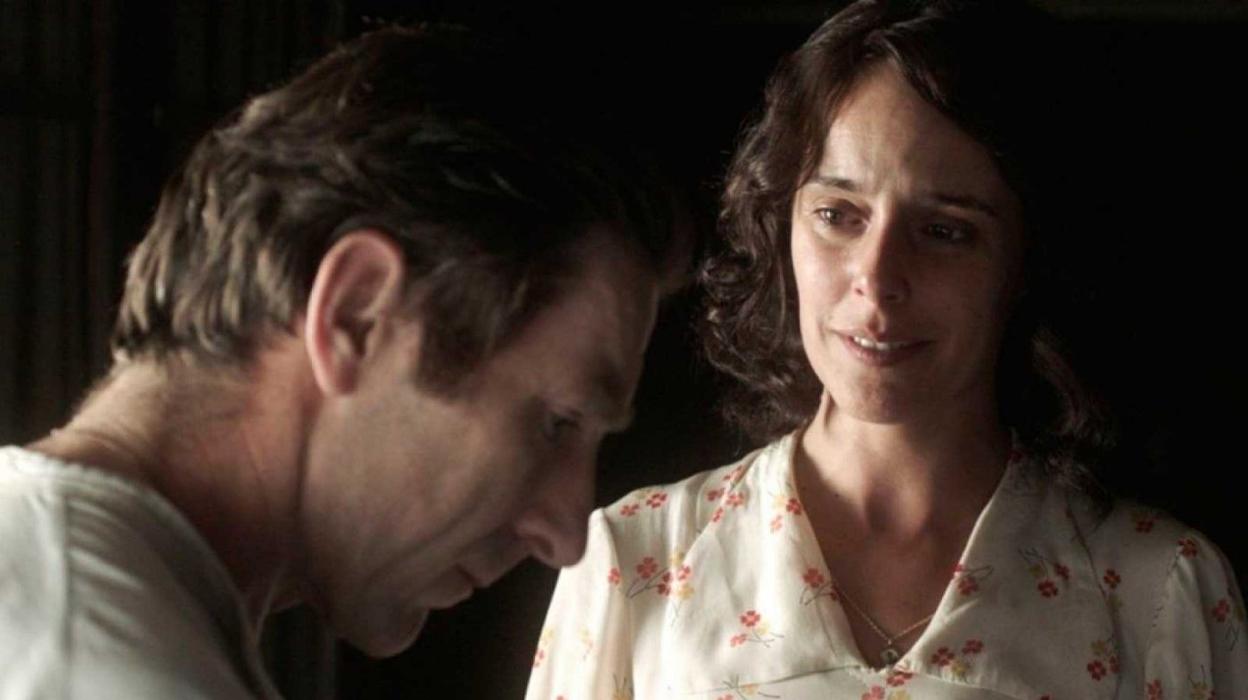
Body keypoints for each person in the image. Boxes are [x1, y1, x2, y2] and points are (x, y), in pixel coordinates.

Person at [526, 2, 1246, 699]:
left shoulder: (1157, 592)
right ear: (782, 226)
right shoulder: (638, 561)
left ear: (1026, 262)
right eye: (837, 215)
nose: (875, 278)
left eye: (945, 231)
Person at [0, 25, 683, 699]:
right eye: (557, 423)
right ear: (358, 315)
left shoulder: (73, 600)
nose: (565, 536)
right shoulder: (103, 663)